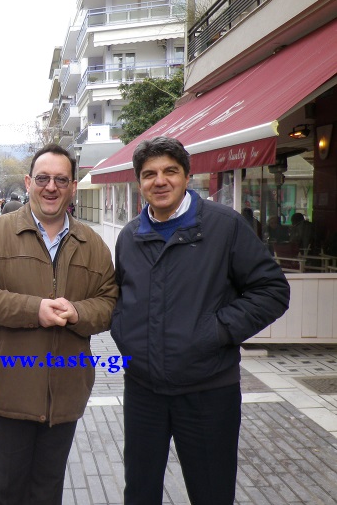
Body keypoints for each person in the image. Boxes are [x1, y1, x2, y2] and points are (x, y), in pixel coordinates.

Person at [110, 136, 290, 505]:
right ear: (139, 182)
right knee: (139, 491)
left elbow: (272, 291)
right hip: (143, 389)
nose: (160, 181)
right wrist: (126, 335)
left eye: (170, 171)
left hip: (208, 389)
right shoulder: (129, 237)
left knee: (211, 492)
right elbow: (122, 297)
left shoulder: (225, 227)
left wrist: (215, 331)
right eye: (149, 174)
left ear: (187, 176)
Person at [0, 144, 118, 505]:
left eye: (61, 180)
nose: (51, 187)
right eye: (43, 178)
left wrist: (78, 313)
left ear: (73, 187)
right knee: (5, 492)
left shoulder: (93, 245)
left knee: (47, 493)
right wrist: (33, 309)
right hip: (6, 393)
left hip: (64, 396)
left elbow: (110, 302)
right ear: (28, 182)